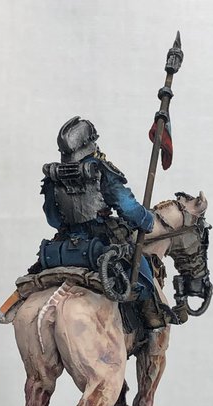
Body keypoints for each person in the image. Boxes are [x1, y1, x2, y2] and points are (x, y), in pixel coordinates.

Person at [39, 117, 166, 328]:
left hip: (63, 245)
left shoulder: (53, 176)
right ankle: (151, 322)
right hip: (101, 242)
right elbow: (127, 207)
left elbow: (53, 219)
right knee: (143, 273)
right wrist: (146, 219)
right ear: (88, 142)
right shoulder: (101, 169)